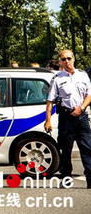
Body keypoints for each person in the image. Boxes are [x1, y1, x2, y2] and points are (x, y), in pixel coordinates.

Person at [44, 50, 91, 188]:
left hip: (81, 116)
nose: (66, 61)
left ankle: (90, 178)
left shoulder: (83, 76)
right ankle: (66, 179)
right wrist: (48, 120)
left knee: (87, 149)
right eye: (63, 59)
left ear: (73, 59)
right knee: (66, 150)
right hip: (66, 117)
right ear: (60, 62)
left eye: (68, 58)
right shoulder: (57, 79)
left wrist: (81, 108)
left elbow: (89, 95)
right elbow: (50, 101)